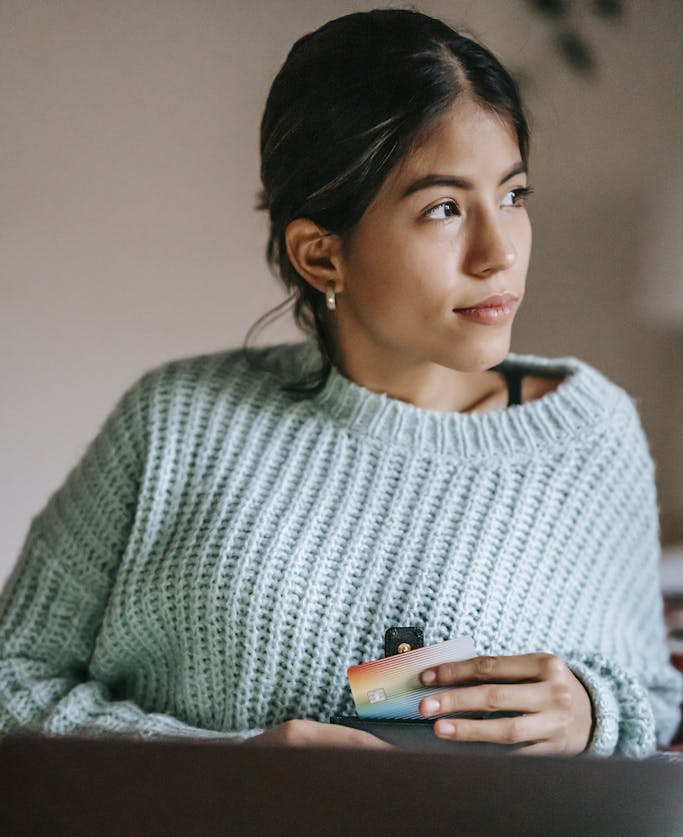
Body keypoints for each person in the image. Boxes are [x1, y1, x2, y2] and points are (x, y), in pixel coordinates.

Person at [0, 7, 680, 757]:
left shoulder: (589, 437)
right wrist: (228, 769)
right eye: (445, 209)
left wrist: (593, 712)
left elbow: (653, 703)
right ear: (321, 256)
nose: (499, 253)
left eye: (513, 196)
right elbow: (12, 680)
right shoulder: (175, 423)